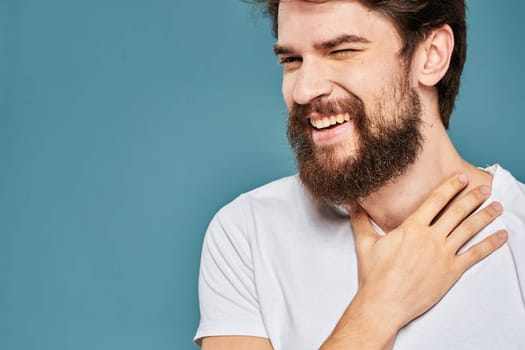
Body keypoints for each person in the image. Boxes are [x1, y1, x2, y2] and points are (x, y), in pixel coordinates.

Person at [194, 1, 525, 349]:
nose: (304, 90)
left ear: (431, 55)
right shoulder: (247, 232)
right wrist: (379, 308)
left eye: (342, 51)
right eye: (291, 60)